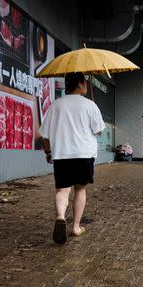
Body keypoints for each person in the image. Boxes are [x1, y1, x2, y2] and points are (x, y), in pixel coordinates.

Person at [38, 72, 105, 245]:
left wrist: (48, 152)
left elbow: (45, 134)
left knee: (62, 190)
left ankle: (61, 216)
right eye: (86, 83)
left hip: (62, 154)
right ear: (81, 84)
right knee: (80, 190)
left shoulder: (56, 105)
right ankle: (75, 227)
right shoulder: (90, 105)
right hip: (84, 154)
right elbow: (98, 131)